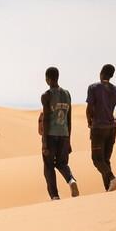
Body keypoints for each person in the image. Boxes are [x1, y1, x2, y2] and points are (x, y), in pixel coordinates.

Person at [40, 67, 79, 200]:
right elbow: (69, 118)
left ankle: (55, 196)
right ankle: (71, 181)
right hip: (64, 134)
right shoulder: (67, 94)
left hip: (51, 135)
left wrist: (44, 142)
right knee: (62, 163)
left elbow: (45, 120)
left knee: (48, 166)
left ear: (48, 79)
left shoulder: (46, 95)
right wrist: (69, 140)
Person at [86, 64, 116, 192]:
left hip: (98, 128)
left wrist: (90, 122)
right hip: (112, 129)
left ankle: (112, 178)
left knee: (97, 160)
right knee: (105, 160)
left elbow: (89, 108)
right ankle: (109, 188)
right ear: (112, 75)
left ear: (101, 72)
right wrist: (113, 121)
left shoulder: (93, 88)